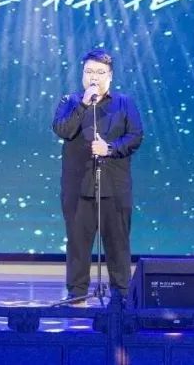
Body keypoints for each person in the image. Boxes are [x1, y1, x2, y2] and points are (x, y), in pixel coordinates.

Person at [52, 48, 144, 304]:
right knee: (78, 245)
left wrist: (110, 148)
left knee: (118, 244)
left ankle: (121, 297)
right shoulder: (70, 102)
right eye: (89, 71)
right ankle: (77, 295)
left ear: (110, 76)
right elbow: (62, 130)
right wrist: (83, 104)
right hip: (78, 187)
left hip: (114, 187)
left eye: (100, 72)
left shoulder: (124, 103)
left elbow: (135, 136)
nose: (94, 77)